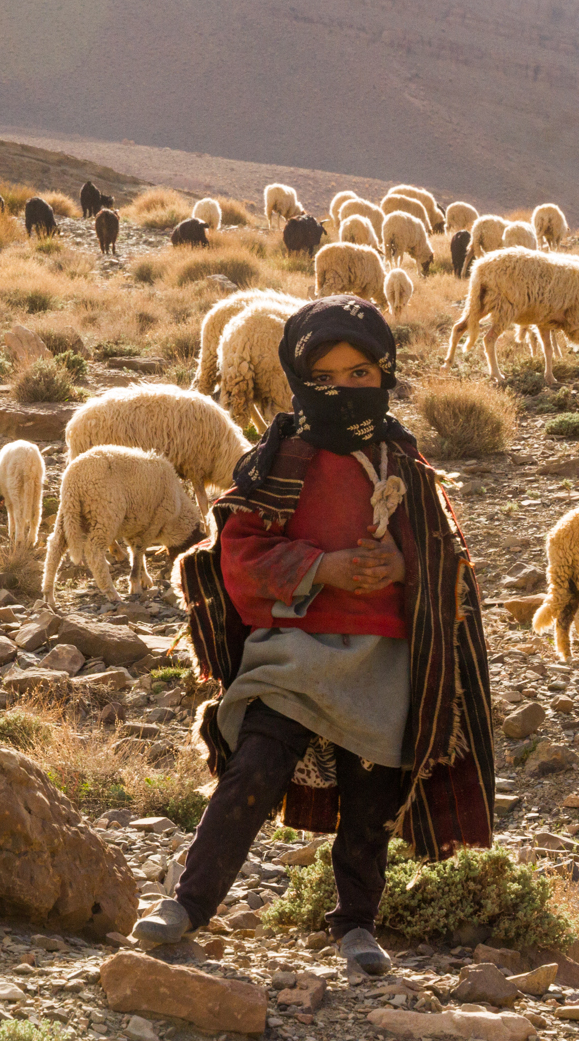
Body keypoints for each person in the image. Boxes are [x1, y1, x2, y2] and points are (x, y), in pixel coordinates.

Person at [135, 294, 497, 976]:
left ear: (384, 375)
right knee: (254, 768)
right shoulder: (280, 460)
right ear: (302, 384)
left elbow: (446, 562)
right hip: (294, 655)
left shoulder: (407, 467)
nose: (346, 390)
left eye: (361, 374)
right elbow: (239, 556)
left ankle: (357, 922)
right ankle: (188, 902)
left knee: (372, 799)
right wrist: (324, 566)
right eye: (327, 378)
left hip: (383, 658)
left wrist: (401, 566)